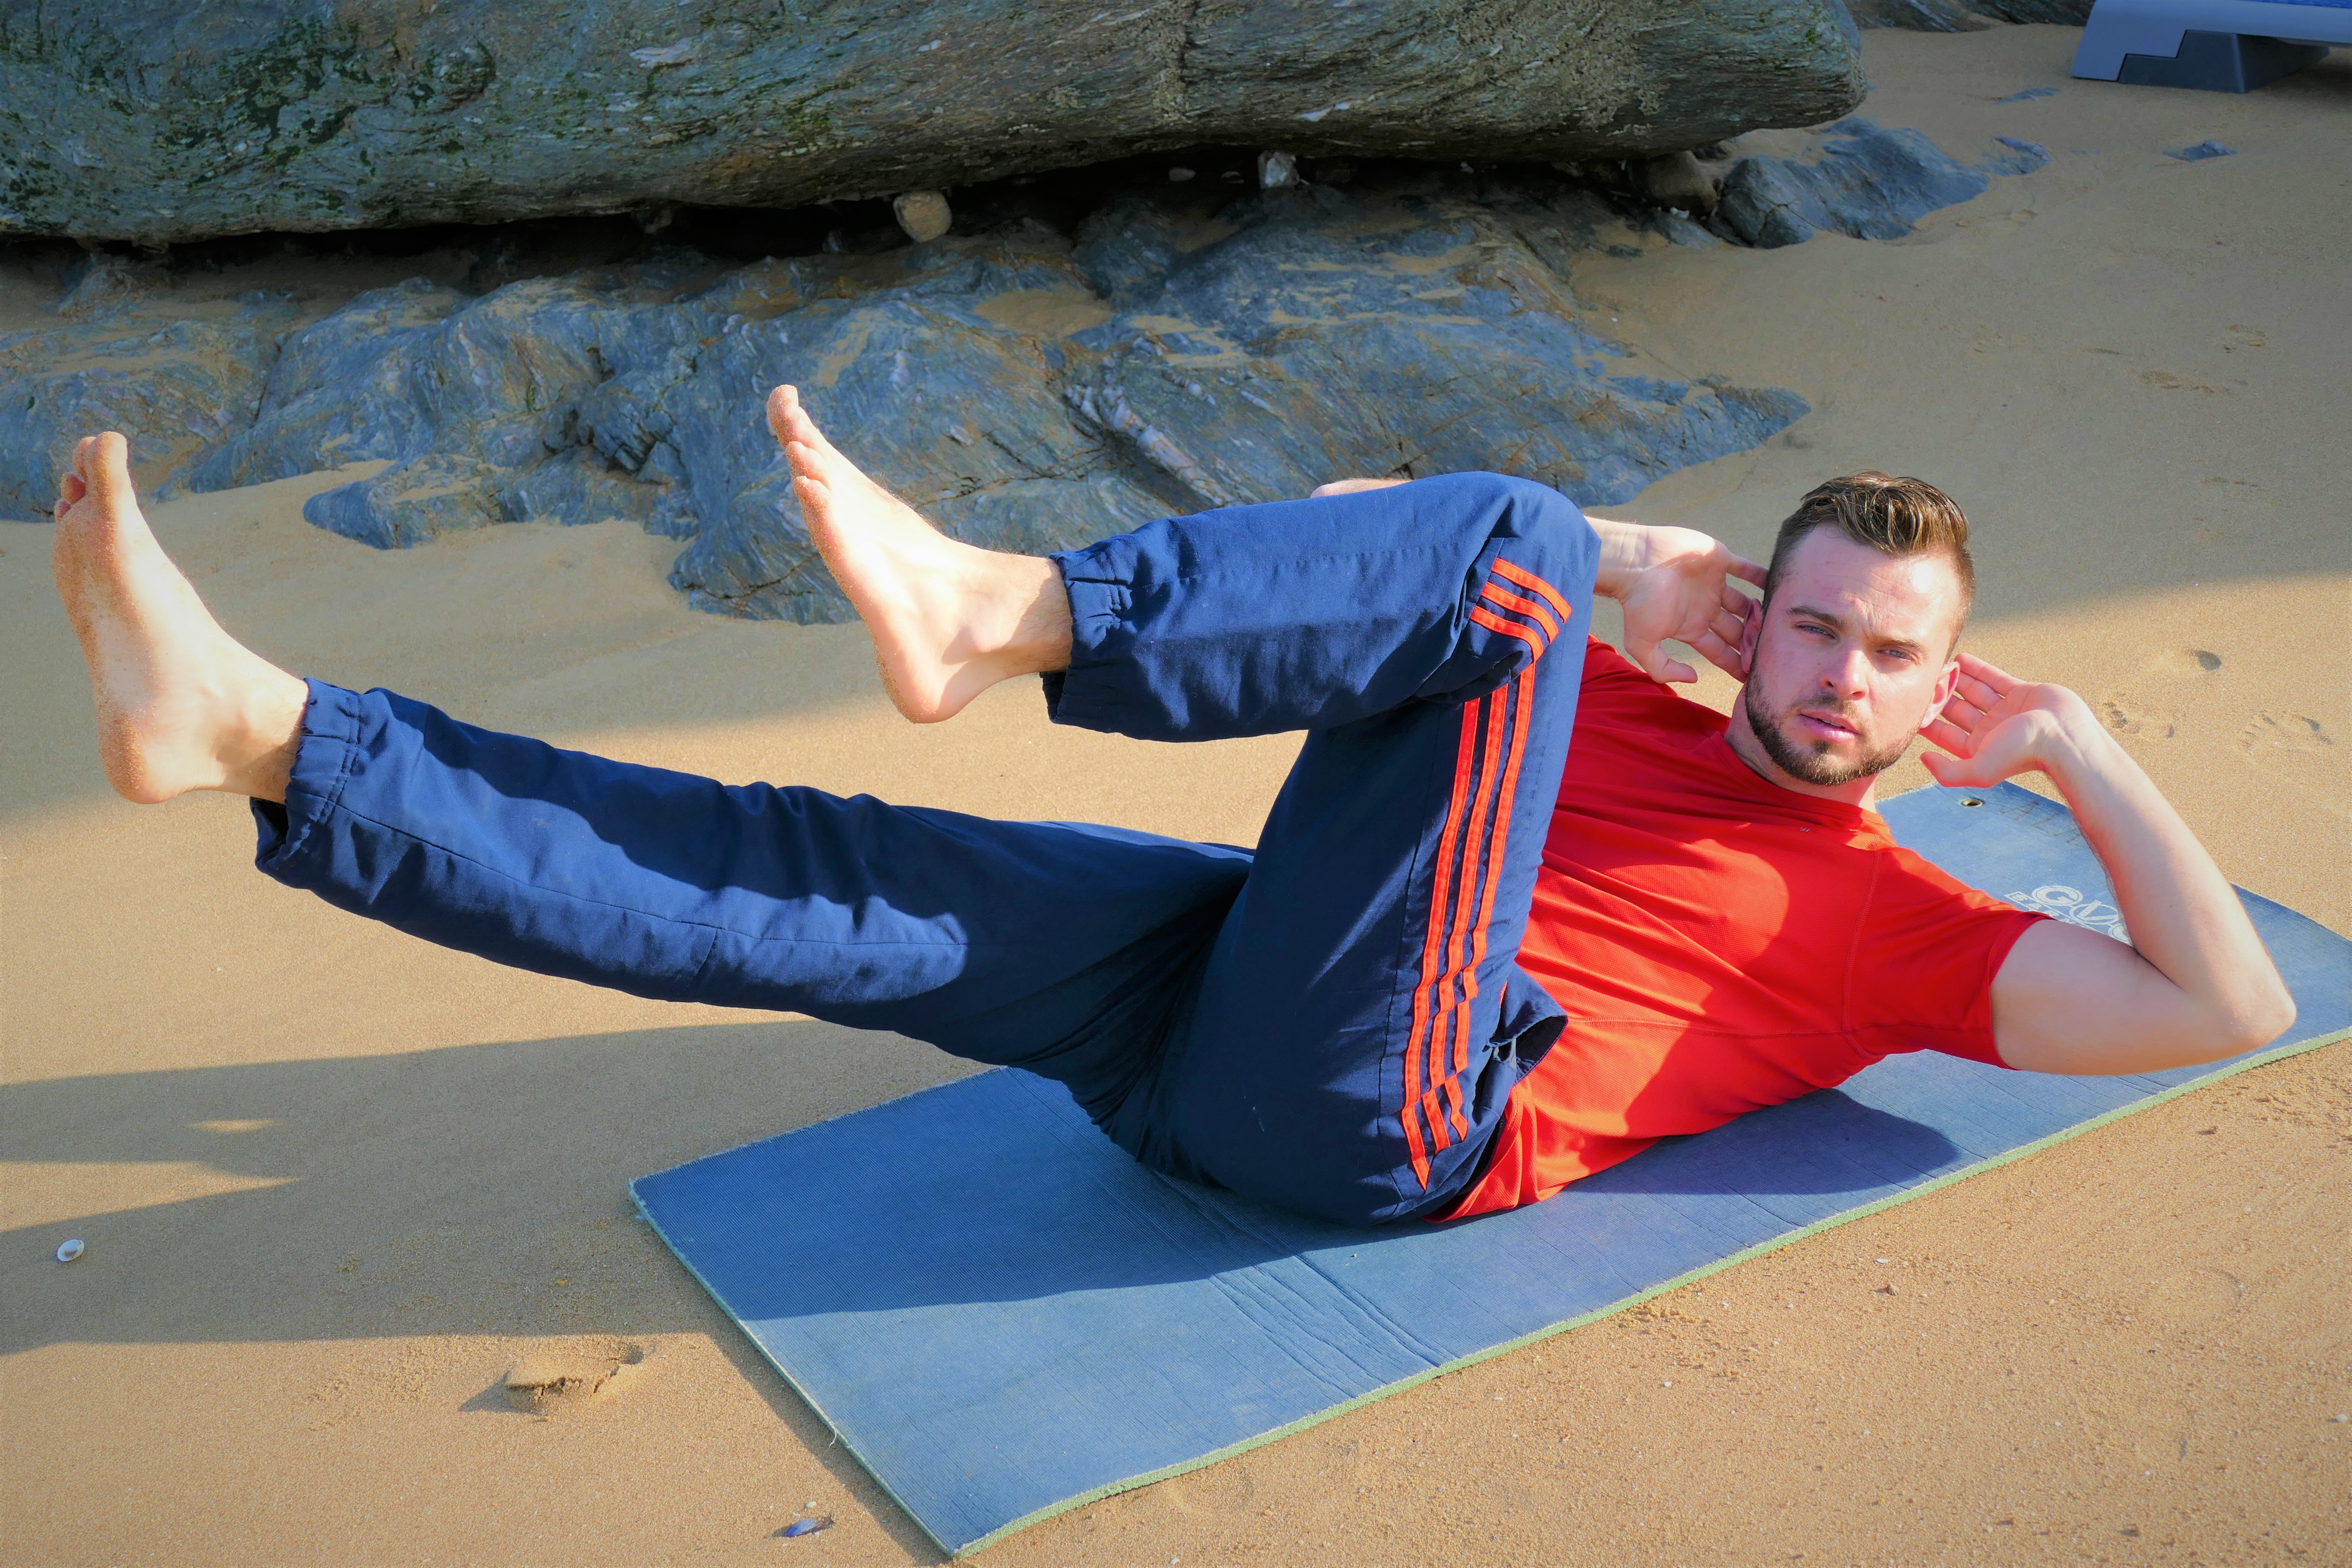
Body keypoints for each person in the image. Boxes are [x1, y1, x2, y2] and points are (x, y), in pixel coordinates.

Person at [48, 390, 2294, 1226]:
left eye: (1891, 653)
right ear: (1758, 618)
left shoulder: (1891, 921)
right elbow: (1339, 552)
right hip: (1224, 1013)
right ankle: (267, 738)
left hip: (1403, 1121)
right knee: (824, 878)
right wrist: (1629, 567)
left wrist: (2081, 753)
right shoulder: (1593, 689)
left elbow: (2229, 1010)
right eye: (1810, 625)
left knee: (1509, 541)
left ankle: (998, 617)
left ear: (1942, 683)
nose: (1838, 679)